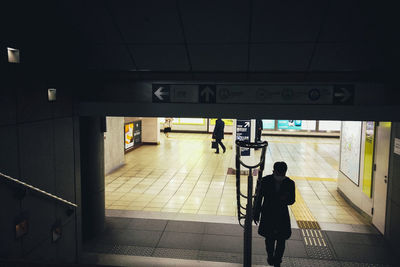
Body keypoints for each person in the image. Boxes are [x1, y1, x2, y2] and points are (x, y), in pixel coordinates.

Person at [253, 161, 295, 267]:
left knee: (281, 240)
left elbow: (292, 200)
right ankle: (270, 256)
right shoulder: (265, 181)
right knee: (269, 239)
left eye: (282, 174)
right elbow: (258, 198)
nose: (281, 176)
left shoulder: (290, 183)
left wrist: (285, 199)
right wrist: (256, 213)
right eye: (279, 173)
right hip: (268, 213)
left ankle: (277, 260)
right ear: (274, 171)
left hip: (281, 214)